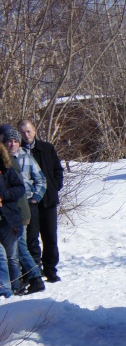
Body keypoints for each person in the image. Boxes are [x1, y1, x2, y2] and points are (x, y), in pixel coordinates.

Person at [1, 125, 45, 295]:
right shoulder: (8, 159)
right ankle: (25, 279)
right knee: (17, 248)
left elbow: (40, 180)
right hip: (15, 210)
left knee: (19, 248)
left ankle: (35, 277)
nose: (12, 144)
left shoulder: (14, 161)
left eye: (15, 141)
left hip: (18, 210)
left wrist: (35, 198)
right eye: (8, 141)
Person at [18, 119, 62, 283]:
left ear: (35, 131)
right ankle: (34, 272)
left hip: (48, 200)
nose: (26, 135)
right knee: (31, 239)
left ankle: (51, 270)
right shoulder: (18, 151)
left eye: (28, 131)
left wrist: (55, 185)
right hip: (29, 202)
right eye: (22, 132)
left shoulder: (47, 148)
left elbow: (57, 170)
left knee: (50, 237)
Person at [0, 142, 26, 300]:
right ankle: (5, 290)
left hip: (8, 219)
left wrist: (3, 195)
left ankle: (15, 286)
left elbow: (20, 189)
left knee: (12, 257)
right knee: (1, 256)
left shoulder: (7, 171)